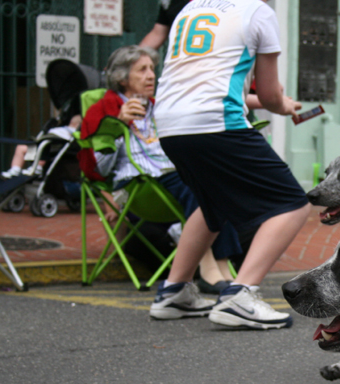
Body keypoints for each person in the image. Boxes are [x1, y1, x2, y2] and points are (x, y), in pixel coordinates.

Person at [149, 0, 311, 329]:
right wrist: (283, 105)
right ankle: (241, 295)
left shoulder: (190, 9)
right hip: (216, 121)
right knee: (293, 204)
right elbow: (269, 96)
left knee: (212, 203)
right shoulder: (258, 12)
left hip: (169, 124)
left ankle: (174, 291)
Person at [78, 45, 241, 292]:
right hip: (138, 184)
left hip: (171, 175)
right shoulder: (104, 109)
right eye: (142, 70)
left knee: (216, 182)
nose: (151, 75)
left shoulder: (160, 107)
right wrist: (119, 125)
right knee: (197, 186)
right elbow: (100, 168)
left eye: (152, 69)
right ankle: (208, 269)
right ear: (122, 78)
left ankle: (223, 267)